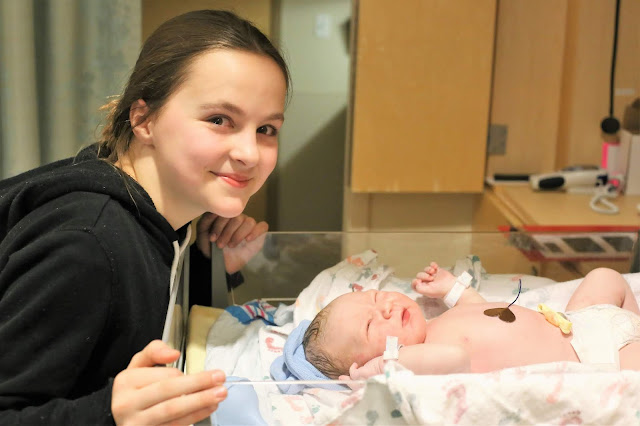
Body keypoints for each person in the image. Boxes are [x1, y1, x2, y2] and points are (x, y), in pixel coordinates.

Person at [0, 9, 289, 425]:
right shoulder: (88, 243)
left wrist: (209, 263)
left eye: (266, 129)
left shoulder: (173, 218)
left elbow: (147, 320)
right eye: (219, 120)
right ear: (143, 119)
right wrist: (109, 415)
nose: (249, 153)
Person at [300, 263, 640, 382]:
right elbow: (456, 358)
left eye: (376, 298)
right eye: (372, 326)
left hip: (579, 321)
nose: (386, 307)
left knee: (606, 276)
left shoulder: (441, 322)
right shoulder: (432, 356)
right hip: (596, 356)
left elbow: (484, 309)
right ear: (378, 356)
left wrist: (452, 289)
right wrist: (383, 369)